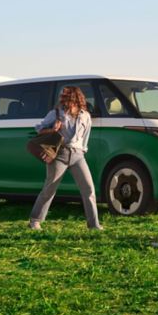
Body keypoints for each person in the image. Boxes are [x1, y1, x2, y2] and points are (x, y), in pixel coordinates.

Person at [29, 86, 102, 230]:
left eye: (65, 95)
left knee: (89, 189)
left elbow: (85, 137)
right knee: (50, 188)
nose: (62, 98)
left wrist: (82, 151)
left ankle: (94, 225)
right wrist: (53, 129)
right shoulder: (55, 113)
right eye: (62, 96)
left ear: (75, 97)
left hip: (78, 155)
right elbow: (39, 129)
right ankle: (35, 220)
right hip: (59, 154)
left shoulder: (85, 115)